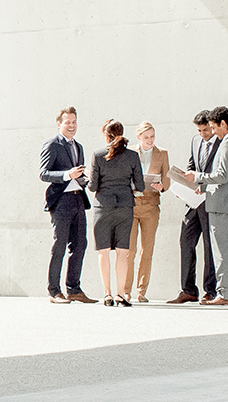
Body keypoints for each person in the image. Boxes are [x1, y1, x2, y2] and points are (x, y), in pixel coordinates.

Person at [183, 106, 228, 305]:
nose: (213, 132)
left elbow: (222, 175)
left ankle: (225, 293)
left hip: (220, 205)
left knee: (221, 251)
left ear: (223, 124)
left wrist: (198, 177)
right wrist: (202, 187)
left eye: (213, 127)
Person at [39, 106, 95, 303]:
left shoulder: (78, 146)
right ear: (59, 124)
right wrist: (66, 175)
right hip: (60, 201)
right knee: (59, 246)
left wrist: (85, 177)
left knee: (80, 245)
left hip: (78, 199)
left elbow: (78, 174)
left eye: (74, 122)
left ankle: (74, 289)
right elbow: (43, 174)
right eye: (67, 122)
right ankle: (54, 291)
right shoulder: (52, 145)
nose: (71, 126)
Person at [87, 119, 145, 306]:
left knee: (103, 252)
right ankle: (121, 294)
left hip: (103, 207)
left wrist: (88, 177)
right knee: (123, 252)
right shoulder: (133, 156)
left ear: (106, 135)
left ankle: (107, 294)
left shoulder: (97, 155)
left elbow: (93, 186)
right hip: (125, 207)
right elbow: (140, 185)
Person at [167, 112, 218, 304]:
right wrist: (182, 185)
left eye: (206, 130)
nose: (203, 134)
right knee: (186, 242)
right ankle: (188, 290)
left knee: (208, 246)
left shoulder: (220, 143)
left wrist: (202, 185)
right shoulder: (196, 140)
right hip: (192, 201)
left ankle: (210, 291)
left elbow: (219, 173)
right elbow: (191, 165)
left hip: (210, 199)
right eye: (199, 130)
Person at [127, 122, 168, 304]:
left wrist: (162, 186)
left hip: (151, 205)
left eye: (152, 136)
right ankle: (125, 291)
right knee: (129, 250)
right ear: (139, 138)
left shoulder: (162, 154)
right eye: (146, 137)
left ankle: (141, 291)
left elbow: (166, 178)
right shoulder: (129, 153)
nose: (150, 140)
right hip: (132, 205)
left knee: (147, 250)